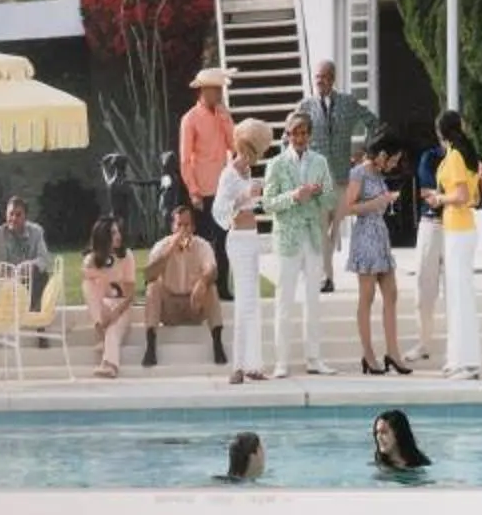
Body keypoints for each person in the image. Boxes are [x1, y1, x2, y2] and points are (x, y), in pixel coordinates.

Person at [263, 109, 336, 377]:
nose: (300, 137)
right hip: (288, 239)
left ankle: (314, 359)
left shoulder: (320, 162)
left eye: (304, 132)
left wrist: (316, 193)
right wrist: (295, 195)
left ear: (309, 135)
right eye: (295, 133)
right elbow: (268, 203)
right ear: (288, 135)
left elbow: (329, 200)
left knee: (312, 300)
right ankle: (281, 362)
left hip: (313, 237)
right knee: (284, 300)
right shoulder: (276, 164)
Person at [302, 58, 376, 293]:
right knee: (322, 228)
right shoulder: (306, 106)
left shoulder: (348, 102)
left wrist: (364, 152)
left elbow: (373, 123)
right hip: (318, 179)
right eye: (317, 77)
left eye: (324, 77)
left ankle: (324, 271)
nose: (319, 81)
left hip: (343, 177)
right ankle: (326, 277)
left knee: (334, 229)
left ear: (333, 79)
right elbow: (289, 136)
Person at [340, 131, 409, 374]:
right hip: (365, 237)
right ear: (381, 155)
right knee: (367, 297)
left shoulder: (378, 174)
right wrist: (377, 203)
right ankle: (368, 355)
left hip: (380, 236)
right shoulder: (359, 172)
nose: (394, 164)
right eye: (392, 159)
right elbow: (347, 207)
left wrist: (385, 200)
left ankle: (393, 352)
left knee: (391, 294)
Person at [426, 109, 482, 379]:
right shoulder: (464, 155)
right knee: (458, 296)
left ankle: (467, 363)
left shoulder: (455, 156)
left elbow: (461, 195)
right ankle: (458, 358)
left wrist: (439, 199)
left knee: (459, 298)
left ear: (440, 132)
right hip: (461, 229)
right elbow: (472, 197)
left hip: (458, 231)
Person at [214, 118, 273, 383]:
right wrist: (243, 197)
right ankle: (237, 366)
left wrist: (255, 195)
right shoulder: (229, 174)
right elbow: (220, 209)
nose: (255, 157)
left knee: (253, 302)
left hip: (251, 238)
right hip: (237, 239)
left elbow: (250, 201)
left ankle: (253, 364)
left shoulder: (248, 173)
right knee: (244, 302)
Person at [177, 64, 238, 298]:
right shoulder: (189, 119)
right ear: (203, 91)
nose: (219, 94)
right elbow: (184, 159)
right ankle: (199, 287)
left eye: (220, 89)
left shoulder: (222, 115)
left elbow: (234, 146)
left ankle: (223, 287)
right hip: (201, 191)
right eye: (216, 89)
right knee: (201, 243)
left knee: (224, 241)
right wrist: (193, 191)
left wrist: (225, 120)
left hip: (222, 188)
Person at [140, 202, 224, 366]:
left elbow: (212, 270)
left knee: (211, 288)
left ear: (193, 227)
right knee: (153, 287)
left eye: (187, 225)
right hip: (170, 307)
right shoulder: (161, 246)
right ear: (173, 226)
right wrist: (170, 249)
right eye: (179, 225)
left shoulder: (202, 245)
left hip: (194, 304)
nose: (183, 230)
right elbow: (149, 275)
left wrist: (202, 282)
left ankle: (217, 344)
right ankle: (150, 346)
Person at [409, 134, 449, 365]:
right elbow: (427, 193)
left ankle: (455, 345)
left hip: (457, 228)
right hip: (431, 226)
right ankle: (423, 343)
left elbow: (477, 198)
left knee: (454, 290)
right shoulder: (430, 157)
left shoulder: (468, 157)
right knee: (424, 288)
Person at [81, 215, 136, 379]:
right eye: (113, 233)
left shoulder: (127, 256)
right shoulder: (91, 259)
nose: (118, 236)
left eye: (118, 232)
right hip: (102, 309)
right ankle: (100, 329)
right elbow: (90, 289)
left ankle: (110, 364)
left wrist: (115, 313)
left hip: (121, 306)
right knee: (88, 284)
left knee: (113, 328)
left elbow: (130, 294)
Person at [0, 194, 52, 307]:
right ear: (6, 214)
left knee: (42, 275)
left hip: (27, 280)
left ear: (25, 217)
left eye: (18, 215)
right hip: (3, 282)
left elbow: (45, 258)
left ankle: (33, 318)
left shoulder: (36, 231)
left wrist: (30, 266)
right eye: (10, 214)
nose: (13, 218)